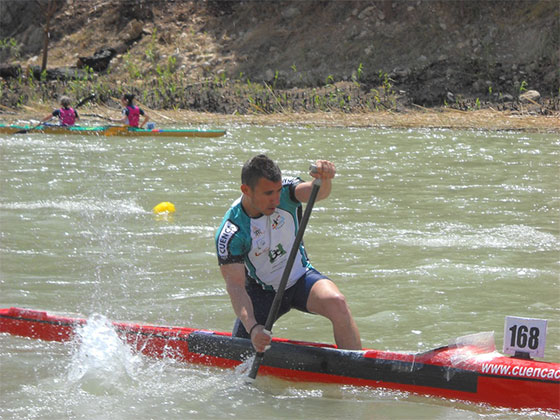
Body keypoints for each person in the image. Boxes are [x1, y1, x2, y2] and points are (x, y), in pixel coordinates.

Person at [215, 154, 362, 353]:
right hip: (262, 292)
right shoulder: (232, 231)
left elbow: (315, 193)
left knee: (338, 303)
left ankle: (356, 372)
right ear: (246, 190)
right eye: (268, 193)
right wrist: (254, 328)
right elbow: (236, 287)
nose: (276, 199)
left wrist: (325, 179)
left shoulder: (286, 191)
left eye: (277, 191)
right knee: (240, 353)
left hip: (301, 278)